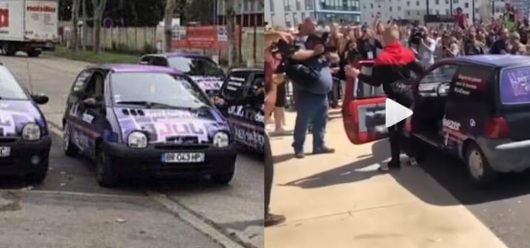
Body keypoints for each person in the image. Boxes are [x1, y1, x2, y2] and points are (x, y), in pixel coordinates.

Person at [346, 26, 424, 171]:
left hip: (395, 97)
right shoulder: (408, 54)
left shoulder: (383, 59)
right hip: (408, 95)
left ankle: (398, 161)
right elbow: (422, 70)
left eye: (383, 37)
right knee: (400, 129)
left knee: (395, 132)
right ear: (398, 39)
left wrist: (356, 74)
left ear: (386, 40)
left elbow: (375, 82)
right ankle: (411, 157)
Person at [290, 18, 335, 159]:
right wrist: (314, 52)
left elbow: (335, 57)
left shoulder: (318, 46)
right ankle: (298, 147)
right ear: (305, 24)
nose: (315, 26)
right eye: (312, 24)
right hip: (307, 91)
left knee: (321, 120)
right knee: (303, 120)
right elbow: (295, 55)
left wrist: (326, 54)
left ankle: (319, 145)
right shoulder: (299, 41)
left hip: (322, 93)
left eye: (316, 25)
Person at [264, 30, 291, 227]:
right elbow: (269, 103)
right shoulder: (266, 62)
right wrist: (274, 85)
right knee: (268, 168)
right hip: (264, 116)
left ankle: (265, 211)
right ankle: (264, 213)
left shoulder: (268, 60)